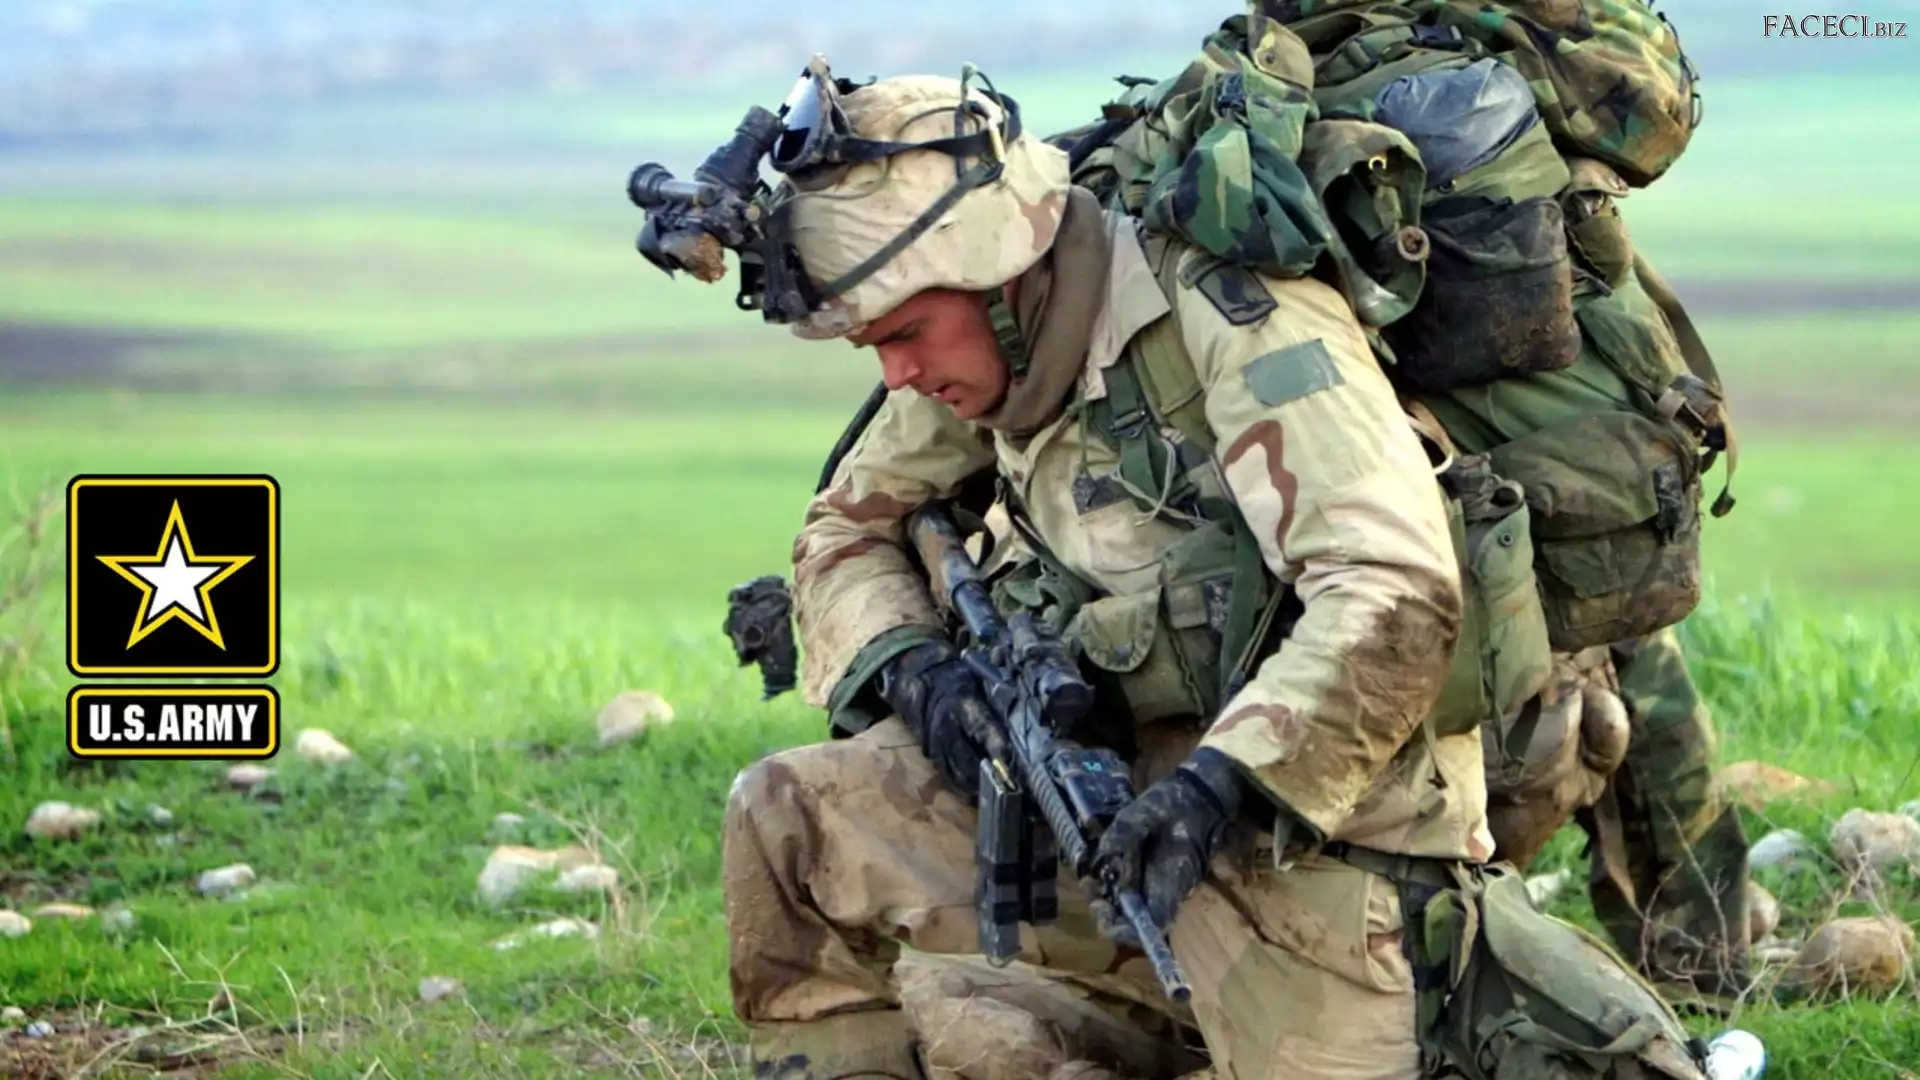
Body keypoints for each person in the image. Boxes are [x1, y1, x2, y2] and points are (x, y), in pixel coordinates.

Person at [721, 69, 1488, 1080]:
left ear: (997, 273)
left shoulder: (1237, 323)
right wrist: (914, 669)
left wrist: (1222, 782)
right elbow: (846, 528)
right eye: (877, 345)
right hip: (1088, 818)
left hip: (1301, 852)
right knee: (784, 814)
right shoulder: (990, 350)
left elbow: (1394, 585)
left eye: (905, 334)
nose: (897, 376)